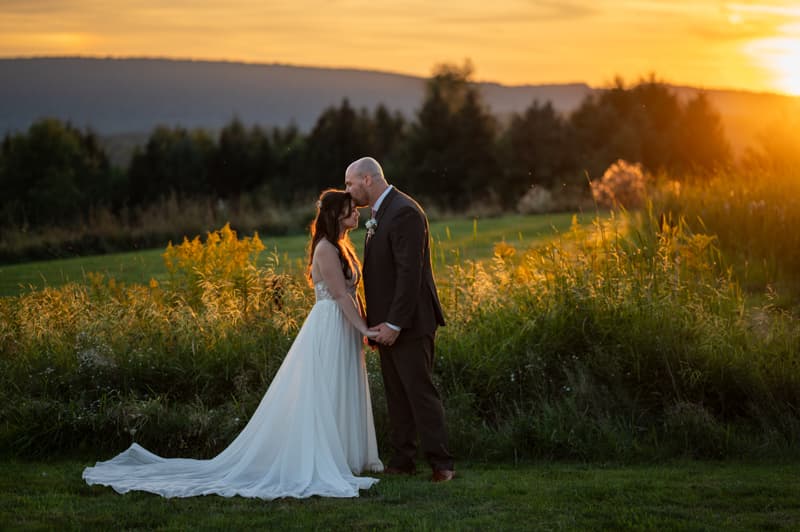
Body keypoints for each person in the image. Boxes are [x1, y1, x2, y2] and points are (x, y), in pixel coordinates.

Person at [83, 189, 384, 499]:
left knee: (343, 386)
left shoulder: (342, 246)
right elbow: (338, 295)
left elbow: (351, 294)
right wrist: (363, 327)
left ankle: (347, 455)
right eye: (350, 210)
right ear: (336, 215)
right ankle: (325, 456)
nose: (356, 213)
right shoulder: (325, 249)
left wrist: (361, 326)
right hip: (330, 325)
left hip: (343, 325)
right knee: (328, 388)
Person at [345, 156, 455, 483]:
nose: (348, 191)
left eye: (350, 183)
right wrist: (374, 325)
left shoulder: (404, 211)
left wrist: (394, 324)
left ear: (367, 179)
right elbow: (382, 276)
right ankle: (403, 459)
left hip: (410, 322)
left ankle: (442, 464)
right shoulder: (380, 213)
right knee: (396, 394)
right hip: (386, 323)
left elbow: (410, 274)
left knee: (419, 392)